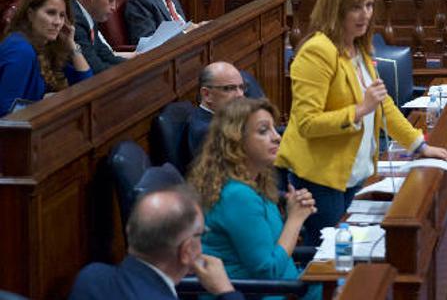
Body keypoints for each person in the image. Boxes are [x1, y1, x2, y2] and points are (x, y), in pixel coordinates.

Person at [275, 0, 447, 245]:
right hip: (321, 177)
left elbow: (383, 107)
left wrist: (420, 146)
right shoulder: (317, 51)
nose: (365, 15)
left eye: (369, 5)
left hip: (353, 170)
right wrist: (359, 109)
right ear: (335, 9)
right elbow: (307, 123)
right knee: (328, 257)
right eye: (355, 7)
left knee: (350, 254)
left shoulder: (358, 48)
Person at [188, 97, 321, 300]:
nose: (277, 137)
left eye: (274, 129)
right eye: (263, 131)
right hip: (264, 294)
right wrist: (295, 219)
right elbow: (268, 271)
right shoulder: (237, 196)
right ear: (236, 140)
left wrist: (292, 207)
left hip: (288, 286)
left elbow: (270, 244)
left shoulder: (256, 182)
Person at [69, 185, 244, 300]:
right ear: (186, 250)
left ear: (130, 232)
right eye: (201, 234)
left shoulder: (89, 278)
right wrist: (226, 292)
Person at [0, 0, 92, 116]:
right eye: (51, 13)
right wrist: (48, 106)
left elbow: (87, 87)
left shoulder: (46, 45)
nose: (58, 22)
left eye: (62, 16)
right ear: (30, 14)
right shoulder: (20, 50)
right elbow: (5, 111)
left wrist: (72, 46)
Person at [187, 61, 247, 160]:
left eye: (241, 87)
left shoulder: (224, 115)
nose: (240, 94)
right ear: (207, 95)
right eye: (229, 88)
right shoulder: (208, 132)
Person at [73, 0, 126, 74]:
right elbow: (95, 68)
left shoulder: (89, 14)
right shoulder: (75, 20)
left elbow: (106, 55)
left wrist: (134, 65)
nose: (114, 7)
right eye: (111, 0)